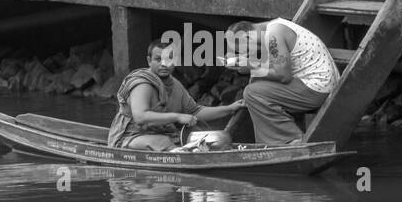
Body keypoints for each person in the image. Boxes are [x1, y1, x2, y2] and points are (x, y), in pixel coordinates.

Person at [107, 39, 245, 151]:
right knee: (161, 141)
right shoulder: (142, 84)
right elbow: (140, 117)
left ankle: (181, 150)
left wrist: (230, 108)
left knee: (206, 137)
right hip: (130, 137)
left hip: (165, 133)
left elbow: (196, 111)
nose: (164, 64)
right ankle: (177, 152)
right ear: (149, 61)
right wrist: (177, 116)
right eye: (158, 59)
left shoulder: (174, 85)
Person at [226, 18, 339, 146]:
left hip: (317, 87)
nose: (247, 52)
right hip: (317, 82)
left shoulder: (273, 35)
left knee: (252, 92)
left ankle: (290, 139)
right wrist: (249, 67)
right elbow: (277, 67)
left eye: (245, 48)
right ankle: (276, 140)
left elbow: (283, 76)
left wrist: (250, 65)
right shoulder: (272, 27)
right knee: (255, 84)